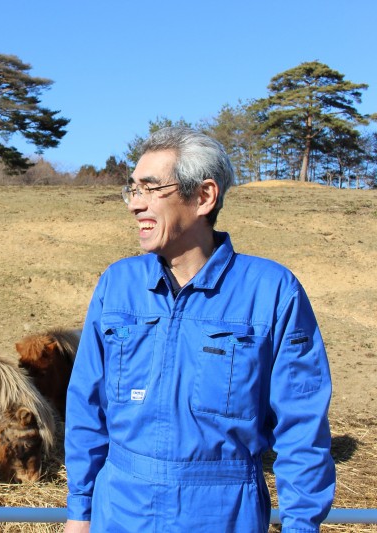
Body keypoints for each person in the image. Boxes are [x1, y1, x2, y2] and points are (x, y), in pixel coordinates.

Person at [64, 127, 335, 532]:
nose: (135, 205)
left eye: (151, 189)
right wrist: (80, 512)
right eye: (132, 190)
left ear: (204, 196)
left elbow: (302, 427)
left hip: (223, 514)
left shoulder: (271, 291)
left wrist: (301, 526)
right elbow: (87, 407)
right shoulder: (117, 285)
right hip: (119, 511)